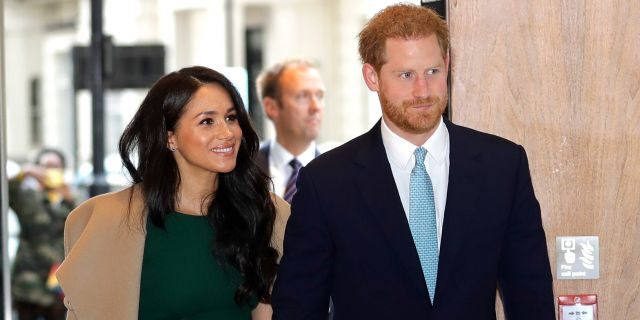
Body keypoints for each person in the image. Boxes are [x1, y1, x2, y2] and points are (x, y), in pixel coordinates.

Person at [272, 4, 555, 319]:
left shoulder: (502, 166)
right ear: (372, 76)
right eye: (406, 75)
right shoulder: (326, 182)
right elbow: (298, 308)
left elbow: (531, 298)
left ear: (447, 65)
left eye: (432, 71)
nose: (423, 90)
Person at [56, 66, 290, 319]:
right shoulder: (106, 221)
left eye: (231, 118)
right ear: (170, 138)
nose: (227, 133)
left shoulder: (267, 213)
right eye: (207, 121)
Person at [9, 148, 74, 320]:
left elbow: (84, 229)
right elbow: (6, 190)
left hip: (57, 281)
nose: (50, 171)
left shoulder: (68, 199)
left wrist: (69, 198)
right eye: (46, 166)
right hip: (28, 281)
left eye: (55, 167)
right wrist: (24, 173)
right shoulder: (27, 197)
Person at [255, 59, 326, 202]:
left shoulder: (337, 173)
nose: (316, 107)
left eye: (319, 96)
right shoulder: (242, 170)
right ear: (271, 107)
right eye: (302, 96)